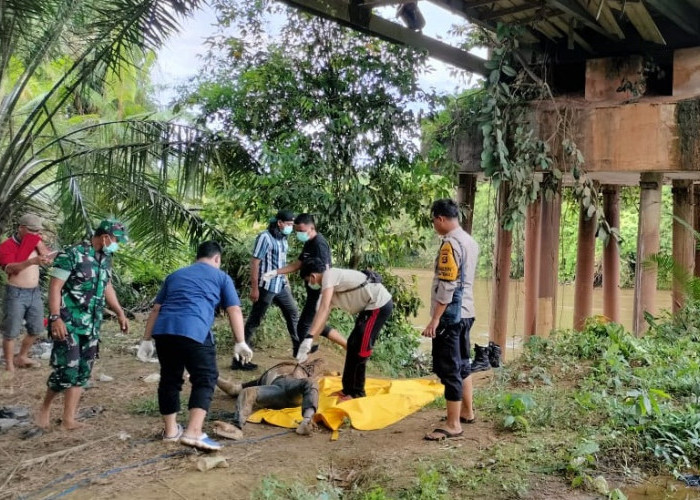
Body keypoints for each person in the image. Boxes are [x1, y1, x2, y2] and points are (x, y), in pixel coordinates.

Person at [140, 241, 253, 452]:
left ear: (197, 257)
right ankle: (193, 432)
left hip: (164, 330)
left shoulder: (175, 275)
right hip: (194, 330)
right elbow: (234, 310)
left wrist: (146, 339)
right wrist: (240, 341)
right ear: (217, 258)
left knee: (170, 378)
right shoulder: (221, 277)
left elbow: (156, 309)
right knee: (206, 377)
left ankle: (171, 431)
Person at [36, 219, 130, 431]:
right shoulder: (71, 254)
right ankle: (45, 408)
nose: (117, 244)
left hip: (92, 325)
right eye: (116, 240)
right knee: (66, 370)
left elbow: (106, 286)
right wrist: (55, 317)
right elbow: (54, 288)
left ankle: (68, 419)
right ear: (105, 236)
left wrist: (120, 312)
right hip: (68, 323)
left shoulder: (105, 258)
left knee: (83, 371)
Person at [422, 199, 479, 442]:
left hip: (452, 316)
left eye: (434, 221)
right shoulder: (469, 240)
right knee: (463, 363)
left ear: (440, 219)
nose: (435, 226)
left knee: (450, 367)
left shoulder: (450, 244)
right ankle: (467, 411)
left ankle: (453, 424)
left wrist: (436, 319)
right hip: (467, 312)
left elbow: (447, 285)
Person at [297, 258, 393, 400]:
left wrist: (309, 336)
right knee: (353, 344)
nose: (310, 284)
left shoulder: (329, 276)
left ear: (313, 276)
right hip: (368, 308)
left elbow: (323, 309)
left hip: (379, 304)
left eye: (308, 280)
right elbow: (320, 319)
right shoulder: (326, 293)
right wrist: (308, 344)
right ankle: (347, 389)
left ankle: (357, 393)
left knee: (361, 347)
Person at [264, 213, 346, 355]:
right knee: (316, 324)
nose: (299, 234)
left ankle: (302, 357)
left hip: (319, 292)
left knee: (303, 326)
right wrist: (276, 272)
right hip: (312, 290)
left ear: (311, 228)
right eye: (297, 231)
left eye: (301, 231)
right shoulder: (309, 242)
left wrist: (324, 295)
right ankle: (346, 345)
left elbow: (326, 271)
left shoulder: (319, 244)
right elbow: (298, 264)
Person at [231, 210, 299, 371]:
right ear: (280, 223)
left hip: (280, 285)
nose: (290, 227)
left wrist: (286, 282)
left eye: (291, 225)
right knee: (255, 320)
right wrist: (255, 288)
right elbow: (255, 262)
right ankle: (239, 360)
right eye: (288, 224)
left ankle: (299, 349)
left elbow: (283, 263)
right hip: (266, 286)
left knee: (293, 313)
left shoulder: (283, 239)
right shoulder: (264, 237)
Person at [0, 214, 54, 371]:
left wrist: (46, 257)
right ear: (21, 228)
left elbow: (46, 255)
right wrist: (31, 261)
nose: (35, 234)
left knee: (37, 328)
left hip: (34, 292)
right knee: (11, 331)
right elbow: (10, 269)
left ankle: (21, 356)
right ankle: (9, 364)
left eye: (38, 230)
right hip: (15, 292)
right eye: (32, 230)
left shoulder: (35, 240)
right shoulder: (6, 246)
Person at [217, 358, 325, 436]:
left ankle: (306, 421)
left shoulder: (305, 372)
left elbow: (316, 372)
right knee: (247, 392)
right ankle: (237, 427)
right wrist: (211, 375)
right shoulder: (261, 380)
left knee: (310, 382)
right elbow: (233, 389)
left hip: (292, 386)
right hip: (275, 388)